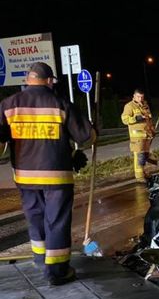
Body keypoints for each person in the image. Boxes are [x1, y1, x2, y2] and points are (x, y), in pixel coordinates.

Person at [0, 62, 95, 286]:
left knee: (35, 218)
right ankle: (57, 271)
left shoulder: (9, 105)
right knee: (56, 221)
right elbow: (86, 137)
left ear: (28, 79)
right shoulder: (61, 104)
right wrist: (92, 129)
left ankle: (41, 260)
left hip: (25, 177)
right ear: (50, 81)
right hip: (56, 177)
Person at [121, 89, 156, 183]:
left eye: (142, 97)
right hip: (136, 137)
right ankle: (139, 176)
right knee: (139, 156)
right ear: (134, 96)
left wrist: (152, 129)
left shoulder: (145, 106)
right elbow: (124, 119)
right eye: (138, 97)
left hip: (146, 135)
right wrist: (137, 118)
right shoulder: (129, 106)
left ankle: (143, 172)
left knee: (144, 156)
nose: (140, 99)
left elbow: (149, 119)